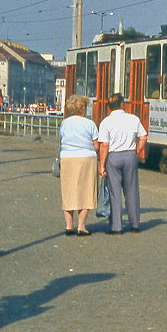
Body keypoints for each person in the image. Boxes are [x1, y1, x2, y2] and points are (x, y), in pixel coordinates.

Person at [97, 93, 148, 235]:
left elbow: (104, 146)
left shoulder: (105, 122)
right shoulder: (133, 119)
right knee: (132, 191)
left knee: (115, 192)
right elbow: (143, 136)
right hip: (130, 155)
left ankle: (116, 227)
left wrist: (102, 165)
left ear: (109, 107)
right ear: (122, 104)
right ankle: (135, 224)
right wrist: (137, 150)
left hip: (113, 157)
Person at [58, 94, 99, 236]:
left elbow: (61, 139)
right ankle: (81, 226)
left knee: (68, 190)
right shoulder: (90, 124)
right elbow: (96, 145)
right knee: (86, 191)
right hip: (86, 158)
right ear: (83, 108)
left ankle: (69, 226)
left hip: (67, 158)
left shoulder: (65, 123)